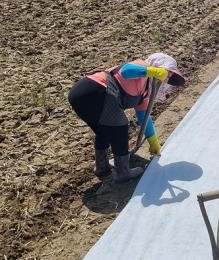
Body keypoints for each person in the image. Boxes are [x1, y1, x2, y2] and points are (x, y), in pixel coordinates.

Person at [68, 52, 187, 183]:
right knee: (120, 128)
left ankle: (101, 167)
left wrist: (153, 141)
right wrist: (153, 71)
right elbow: (126, 71)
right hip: (95, 90)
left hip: (82, 95)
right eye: (167, 74)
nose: (165, 80)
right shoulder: (142, 66)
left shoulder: (144, 93)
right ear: (159, 66)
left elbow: (144, 117)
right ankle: (122, 172)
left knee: (104, 132)